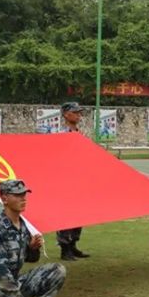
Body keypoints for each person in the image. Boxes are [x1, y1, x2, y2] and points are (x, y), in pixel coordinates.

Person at [54, 101, 91, 261]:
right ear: (66, 114)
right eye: (75, 112)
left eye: (79, 112)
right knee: (65, 214)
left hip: (79, 179)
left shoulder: (80, 132)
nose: (79, 115)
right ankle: (64, 248)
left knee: (78, 213)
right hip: (64, 180)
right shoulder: (60, 134)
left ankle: (74, 244)